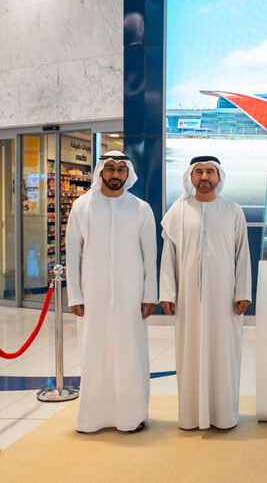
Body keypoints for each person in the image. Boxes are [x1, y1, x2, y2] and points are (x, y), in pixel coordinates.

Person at [66, 150, 157, 433]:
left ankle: (132, 416)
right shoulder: (82, 206)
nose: (115, 174)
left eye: (120, 169)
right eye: (110, 168)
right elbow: (72, 254)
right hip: (93, 295)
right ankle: (92, 418)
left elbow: (150, 255)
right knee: (94, 354)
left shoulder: (141, 208)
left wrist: (149, 295)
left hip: (132, 295)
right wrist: (75, 295)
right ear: (100, 171)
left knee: (131, 354)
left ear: (128, 173)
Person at [159, 156, 252, 430]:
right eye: (198, 172)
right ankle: (190, 416)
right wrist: (168, 293)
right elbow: (168, 255)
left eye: (210, 172)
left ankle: (223, 415)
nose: (204, 177)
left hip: (224, 298)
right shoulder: (177, 211)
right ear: (190, 177)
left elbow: (242, 254)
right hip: (188, 298)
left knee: (224, 354)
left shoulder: (233, 211)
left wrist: (242, 292)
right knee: (189, 354)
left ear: (218, 177)